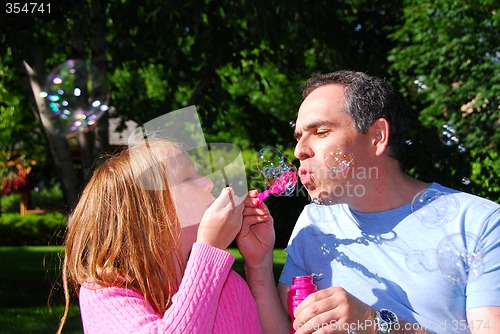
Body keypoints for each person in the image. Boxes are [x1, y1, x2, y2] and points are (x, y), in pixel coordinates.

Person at [244, 70, 500, 334]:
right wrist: (258, 263)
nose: (299, 151)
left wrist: (374, 322)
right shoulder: (316, 222)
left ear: (377, 136)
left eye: (320, 131)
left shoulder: (480, 223)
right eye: (298, 137)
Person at [56, 139, 269, 333]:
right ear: (146, 214)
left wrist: (259, 261)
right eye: (187, 177)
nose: (209, 183)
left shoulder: (229, 286)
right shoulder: (105, 292)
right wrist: (209, 251)